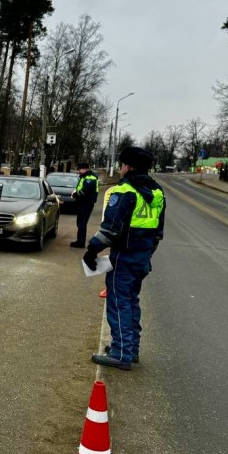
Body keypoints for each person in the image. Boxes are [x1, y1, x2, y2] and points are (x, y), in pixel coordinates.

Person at [82, 146, 165, 371]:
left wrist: (92, 251)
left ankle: (121, 352)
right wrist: (146, 252)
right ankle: (131, 348)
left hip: (124, 257)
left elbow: (111, 229)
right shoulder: (157, 192)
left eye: (121, 165)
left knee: (119, 303)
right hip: (142, 256)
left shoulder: (125, 191)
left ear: (127, 166)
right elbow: (158, 232)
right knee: (131, 301)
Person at [69, 162, 99, 248]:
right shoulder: (85, 177)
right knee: (80, 222)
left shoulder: (90, 178)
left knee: (82, 223)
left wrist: (76, 194)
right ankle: (80, 240)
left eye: (80, 169)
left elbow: (85, 191)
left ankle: (81, 242)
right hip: (82, 203)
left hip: (86, 203)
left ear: (85, 169)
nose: (79, 171)